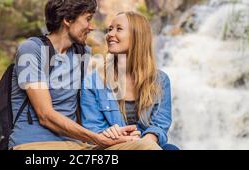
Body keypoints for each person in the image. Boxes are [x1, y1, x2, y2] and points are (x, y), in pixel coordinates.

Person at [9, 0, 160, 150]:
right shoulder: (31, 49)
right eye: (88, 19)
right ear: (68, 20)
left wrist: (110, 134)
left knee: (146, 146)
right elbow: (45, 115)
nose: (92, 26)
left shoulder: (82, 52)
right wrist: (97, 138)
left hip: (78, 145)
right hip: (35, 144)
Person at [81, 11, 179, 150]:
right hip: (111, 147)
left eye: (118, 29)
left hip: (147, 144)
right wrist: (111, 135)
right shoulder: (93, 81)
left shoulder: (161, 81)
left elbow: (159, 125)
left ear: (137, 36)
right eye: (110, 29)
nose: (110, 34)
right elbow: (93, 129)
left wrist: (144, 143)